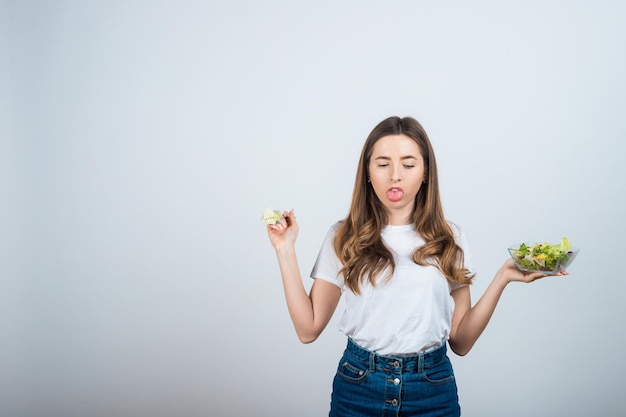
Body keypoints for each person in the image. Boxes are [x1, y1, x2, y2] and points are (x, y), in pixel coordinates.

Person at [265, 116, 567, 417]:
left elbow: (461, 342)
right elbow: (308, 330)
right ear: (367, 172)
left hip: (432, 390)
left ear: (425, 173)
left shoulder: (450, 238)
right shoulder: (343, 237)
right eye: (383, 164)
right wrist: (285, 249)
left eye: (408, 165)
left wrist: (502, 277)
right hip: (358, 387)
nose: (395, 175)